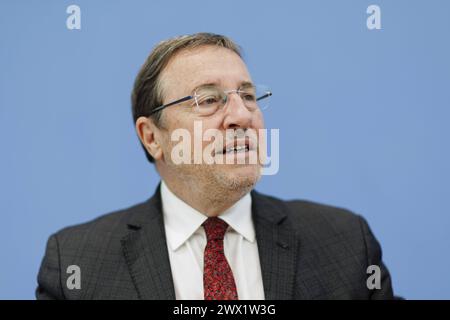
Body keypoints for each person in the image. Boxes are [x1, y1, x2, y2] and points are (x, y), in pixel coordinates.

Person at [36, 32, 394, 300]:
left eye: (249, 96)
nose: (242, 115)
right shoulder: (77, 262)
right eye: (208, 99)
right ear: (151, 137)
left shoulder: (344, 242)